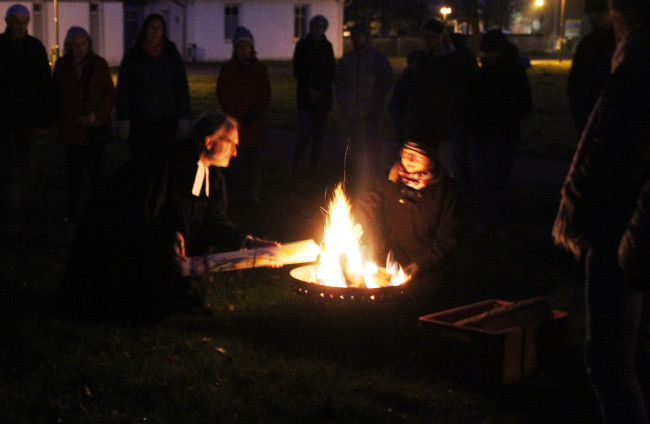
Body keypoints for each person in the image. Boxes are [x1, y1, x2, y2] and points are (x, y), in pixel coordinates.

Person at [61, 110, 275, 318]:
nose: (236, 152)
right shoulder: (168, 163)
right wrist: (168, 234)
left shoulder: (213, 176)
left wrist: (248, 243)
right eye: (232, 144)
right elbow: (142, 211)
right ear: (209, 142)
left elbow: (212, 220)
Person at [552, 0, 650, 421]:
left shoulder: (640, 67)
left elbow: (618, 152)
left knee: (609, 358)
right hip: (620, 225)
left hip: (622, 231)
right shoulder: (626, 61)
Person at [354, 128, 460, 304]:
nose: (409, 160)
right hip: (390, 260)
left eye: (417, 156)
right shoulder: (391, 180)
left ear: (431, 159)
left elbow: (448, 239)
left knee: (418, 300)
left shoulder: (445, 192)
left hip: (429, 267)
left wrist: (421, 264)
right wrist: (356, 225)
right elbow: (365, 205)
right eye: (406, 153)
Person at [467, 29, 532, 236]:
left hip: (502, 135)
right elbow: (471, 102)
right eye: (485, 51)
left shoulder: (512, 73)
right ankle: (486, 221)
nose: (488, 55)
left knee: (499, 180)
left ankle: (501, 222)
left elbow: (524, 104)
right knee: (484, 181)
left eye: (491, 51)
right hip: (483, 135)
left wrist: (503, 115)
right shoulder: (482, 73)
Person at [53, 26, 116, 224]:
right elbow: (56, 95)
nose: (79, 48)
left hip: (93, 129)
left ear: (88, 45)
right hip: (71, 130)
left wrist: (96, 115)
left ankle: (98, 212)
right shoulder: (63, 66)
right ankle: (74, 212)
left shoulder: (99, 65)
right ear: (69, 46)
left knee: (96, 174)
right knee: (73, 175)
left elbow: (109, 94)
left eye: (82, 44)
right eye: (75, 45)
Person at [406, 18, 478, 181]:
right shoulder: (424, 60)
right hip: (428, 122)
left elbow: (463, 91)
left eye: (431, 37)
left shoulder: (457, 60)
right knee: (430, 164)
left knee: (450, 165)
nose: (428, 42)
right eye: (425, 38)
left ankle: (457, 195)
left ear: (441, 36)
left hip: (450, 121)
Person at [116, 13, 191, 165]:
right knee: (142, 161)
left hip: (166, 120)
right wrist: (123, 118)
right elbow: (123, 89)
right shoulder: (133, 55)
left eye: (159, 28)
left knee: (163, 161)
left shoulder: (171, 54)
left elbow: (181, 87)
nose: (155, 32)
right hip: (140, 120)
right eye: (152, 28)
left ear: (163, 31)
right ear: (145, 29)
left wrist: (184, 115)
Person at [0, 4, 52, 222]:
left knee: (28, 166)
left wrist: (43, 119)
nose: (21, 26)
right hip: (3, 117)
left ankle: (29, 209)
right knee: (4, 165)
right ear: (9, 23)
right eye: (17, 22)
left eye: (24, 22)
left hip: (28, 118)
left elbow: (44, 86)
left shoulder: (35, 48)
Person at [335, 23, 393, 199]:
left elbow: (385, 80)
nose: (358, 38)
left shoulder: (377, 58)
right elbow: (339, 83)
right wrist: (344, 103)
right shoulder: (347, 60)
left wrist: (375, 101)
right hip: (352, 111)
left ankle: (373, 176)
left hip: (371, 111)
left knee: (371, 144)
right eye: (355, 35)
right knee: (355, 144)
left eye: (361, 35)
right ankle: (357, 174)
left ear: (366, 37)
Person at [216, 26, 271, 205]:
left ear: (251, 48)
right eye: (240, 47)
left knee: (254, 163)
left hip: (254, 125)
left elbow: (265, 94)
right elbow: (223, 94)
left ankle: (253, 195)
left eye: (246, 46)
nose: (243, 50)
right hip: (235, 124)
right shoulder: (228, 69)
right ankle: (233, 195)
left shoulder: (259, 70)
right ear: (235, 49)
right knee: (234, 163)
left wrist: (254, 113)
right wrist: (237, 115)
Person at [290, 15, 336, 176]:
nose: (318, 28)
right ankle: (295, 163)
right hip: (305, 96)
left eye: (321, 25)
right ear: (311, 26)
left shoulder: (327, 47)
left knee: (318, 135)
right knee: (305, 133)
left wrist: (321, 91)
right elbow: (298, 69)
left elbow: (331, 71)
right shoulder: (302, 45)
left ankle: (313, 166)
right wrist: (309, 89)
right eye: (316, 25)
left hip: (322, 98)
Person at [567, 0, 616, 135]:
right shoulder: (587, 43)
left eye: (598, 12)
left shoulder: (617, 43)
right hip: (589, 113)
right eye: (590, 12)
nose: (593, 16)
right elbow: (575, 82)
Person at [388, 49, 423, 144]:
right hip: (406, 127)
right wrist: (400, 125)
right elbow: (395, 105)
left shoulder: (425, 80)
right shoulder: (404, 81)